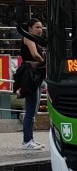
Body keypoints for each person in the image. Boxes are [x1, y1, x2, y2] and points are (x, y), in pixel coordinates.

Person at [20, 18, 46, 150]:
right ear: (30, 28)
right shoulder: (28, 38)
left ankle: (30, 139)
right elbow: (35, 55)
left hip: (36, 76)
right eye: (37, 27)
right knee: (30, 110)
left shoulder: (36, 40)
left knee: (34, 109)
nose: (40, 30)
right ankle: (27, 140)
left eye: (41, 27)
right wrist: (45, 62)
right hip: (30, 76)